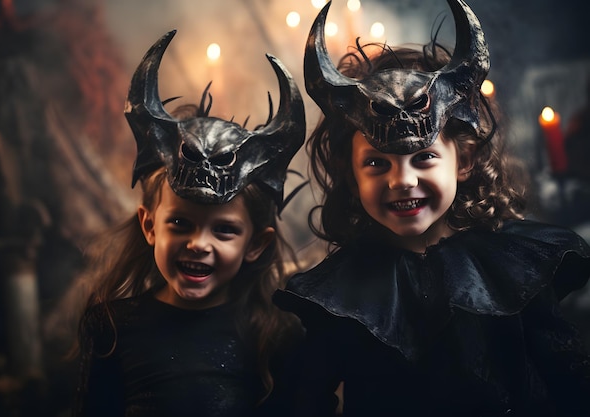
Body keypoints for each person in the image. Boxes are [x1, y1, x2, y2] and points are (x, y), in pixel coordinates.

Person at [273, 1, 590, 416]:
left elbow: (571, 385)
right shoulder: (341, 293)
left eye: (423, 157)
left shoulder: (511, 270)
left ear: (465, 160)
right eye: (376, 163)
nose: (402, 179)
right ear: (351, 176)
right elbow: (303, 400)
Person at [73, 30, 305, 417]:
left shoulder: (274, 333)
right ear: (149, 226)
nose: (199, 243)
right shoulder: (110, 327)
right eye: (180, 223)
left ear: (255, 244)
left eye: (224, 230)